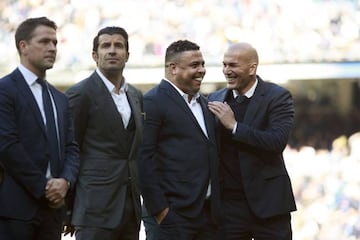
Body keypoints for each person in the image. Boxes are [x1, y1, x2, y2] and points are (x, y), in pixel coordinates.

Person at [0, 17, 79, 240]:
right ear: (23, 46)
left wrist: (65, 182)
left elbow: (72, 148)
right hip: (17, 210)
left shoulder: (60, 98)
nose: (52, 48)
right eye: (44, 41)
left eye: (55, 42)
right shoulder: (4, 90)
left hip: (53, 212)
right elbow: (7, 145)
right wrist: (45, 187)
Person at [208, 42, 297, 240]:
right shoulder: (215, 99)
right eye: (224, 65)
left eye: (233, 65)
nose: (227, 71)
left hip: (270, 205)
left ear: (252, 68)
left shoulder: (277, 97)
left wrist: (234, 126)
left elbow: (276, 141)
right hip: (229, 207)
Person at [65, 26, 143, 240]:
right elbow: (71, 151)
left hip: (131, 208)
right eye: (105, 45)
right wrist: (69, 210)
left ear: (127, 55)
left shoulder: (135, 95)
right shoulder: (80, 94)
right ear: (94, 55)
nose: (112, 50)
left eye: (118, 46)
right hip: (93, 210)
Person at [138, 39, 220, 240]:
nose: (201, 70)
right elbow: (142, 159)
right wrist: (160, 210)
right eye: (194, 65)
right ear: (173, 68)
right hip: (172, 217)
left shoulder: (205, 103)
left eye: (202, 64)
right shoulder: (152, 102)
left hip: (207, 216)